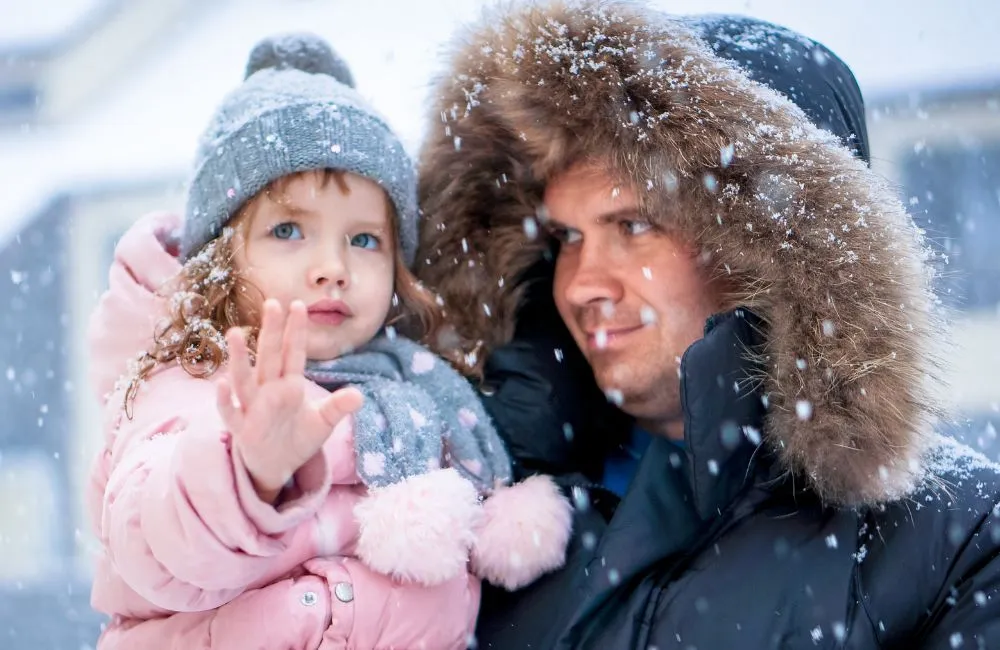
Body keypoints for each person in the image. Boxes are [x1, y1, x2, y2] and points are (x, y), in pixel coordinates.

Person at [415, 2, 1000, 648]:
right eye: (566, 237)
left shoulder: (958, 538)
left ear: (772, 248)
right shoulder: (481, 505)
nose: (581, 283)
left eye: (632, 227)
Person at [85, 33, 571, 649]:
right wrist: (249, 472)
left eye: (364, 240)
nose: (332, 266)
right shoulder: (191, 382)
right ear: (218, 261)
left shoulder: (414, 388)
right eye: (289, 230)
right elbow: (153, 542)